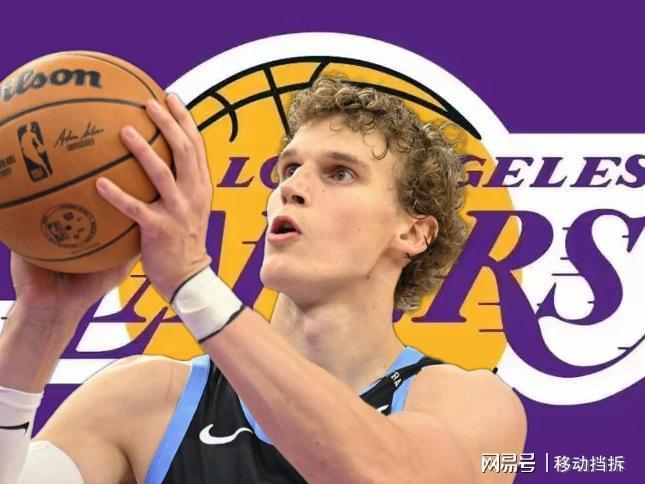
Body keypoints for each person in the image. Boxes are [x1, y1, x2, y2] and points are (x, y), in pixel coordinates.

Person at [0, 77, 526, 483]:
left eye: (340, 173)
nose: (291, 187)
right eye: (288, 169)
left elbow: (387, 476)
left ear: (412, 233)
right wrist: (40, 323)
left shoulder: (470, 403)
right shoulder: (144, 398)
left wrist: (193, 281)